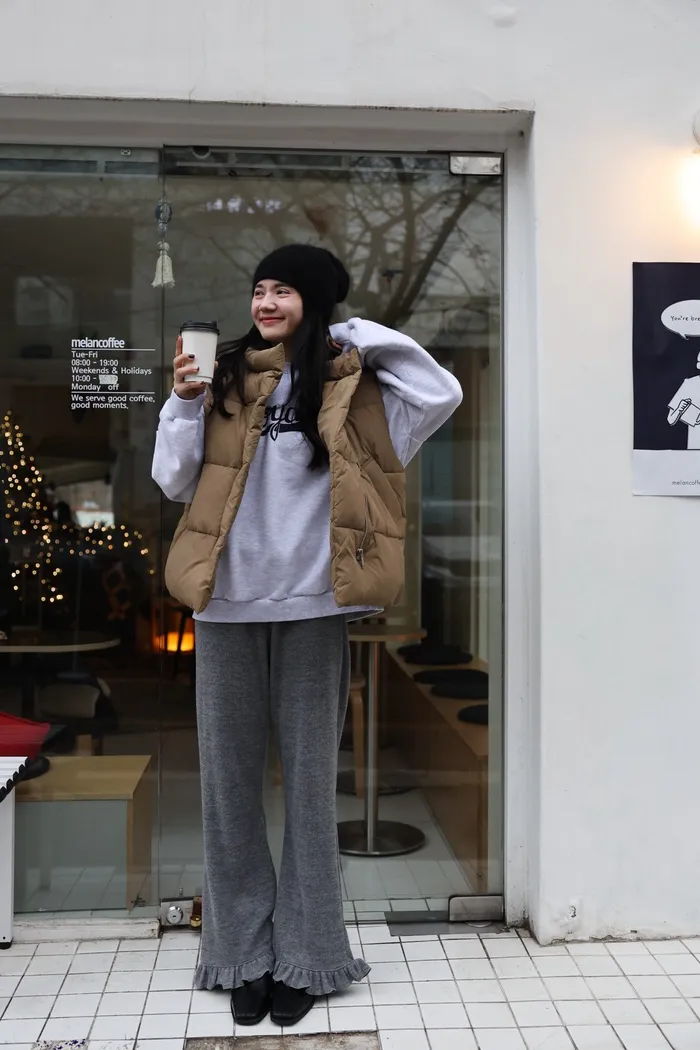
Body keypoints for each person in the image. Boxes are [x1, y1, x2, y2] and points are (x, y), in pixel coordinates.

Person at [151, 244, 462, 1028]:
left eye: (284, 290)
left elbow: (441, 390)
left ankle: (309, 955)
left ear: (314, 302)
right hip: (226, 608)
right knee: (228, 794)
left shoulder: (353, 386)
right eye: (259, 289)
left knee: (312, 795)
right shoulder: (223, 378)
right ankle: (241, 955)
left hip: (316, 607)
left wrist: (345, 329)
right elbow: (172, 480)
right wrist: (182, 402)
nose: (265, 302)